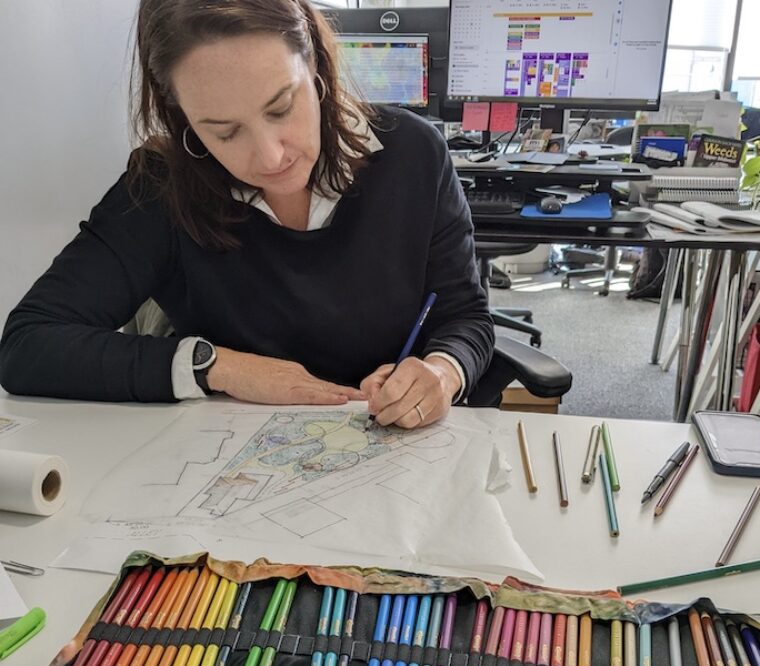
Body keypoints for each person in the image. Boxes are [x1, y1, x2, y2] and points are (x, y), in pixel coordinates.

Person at [0, 0, 493, 430]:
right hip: (233, 477)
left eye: (281, 108)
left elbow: (464, 316)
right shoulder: (161, 188)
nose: (270, 157)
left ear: (316, 67)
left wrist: (442, 372)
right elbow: (27, 344)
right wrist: (218, 367)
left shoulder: (412, 154)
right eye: (224, 131)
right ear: (184, 120)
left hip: (393, 451)